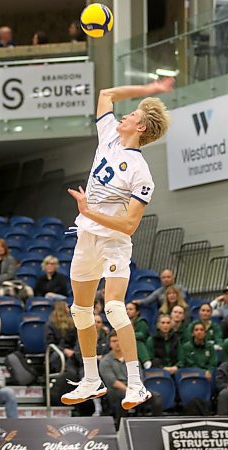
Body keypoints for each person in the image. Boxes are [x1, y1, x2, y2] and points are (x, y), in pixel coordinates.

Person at [60, 76, 174, 410]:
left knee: (112, 307)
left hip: (114, 243)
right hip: (87, 237)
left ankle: (136, 384)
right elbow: (106, 93)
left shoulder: (141, 172)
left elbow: (128, 225)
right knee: (80, 311)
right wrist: (150, 91)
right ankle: (91, 380)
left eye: (132, 115)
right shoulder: (109, 136)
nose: (124, 116)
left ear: (140, 128)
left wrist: (89, 210)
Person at [99, 332, 162, 428]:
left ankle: (155, 426)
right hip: (116, 391)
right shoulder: (105, 361)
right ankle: (120, 427)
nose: (117, 343)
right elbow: (112, 382)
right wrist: (129, 391)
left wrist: (135, 390)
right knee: (123, 397)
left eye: (119, 340)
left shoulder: (132, 359)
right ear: (110, 344)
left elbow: (140, 377)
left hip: (135, 389)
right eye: (114, 341)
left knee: (156, 397)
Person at [44, 301, 78, 376]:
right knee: (60, 358)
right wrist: (64, 350)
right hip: (57, 352)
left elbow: (76, 340)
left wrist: (74, 350)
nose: (69, 309)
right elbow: (50, 344)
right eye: (67, 307)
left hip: (72, 351)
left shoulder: (73, 323)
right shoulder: (50, 325)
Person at [126, 301, 152, 369]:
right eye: (126, 309)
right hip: (127, 344)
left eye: (130, 309)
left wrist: (128, 335)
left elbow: (142, 335)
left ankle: (146, 361)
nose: (128, 311)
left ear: (137, 312)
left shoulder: (141, 321)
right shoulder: (122, 322)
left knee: (137, 342)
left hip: (142, 344)